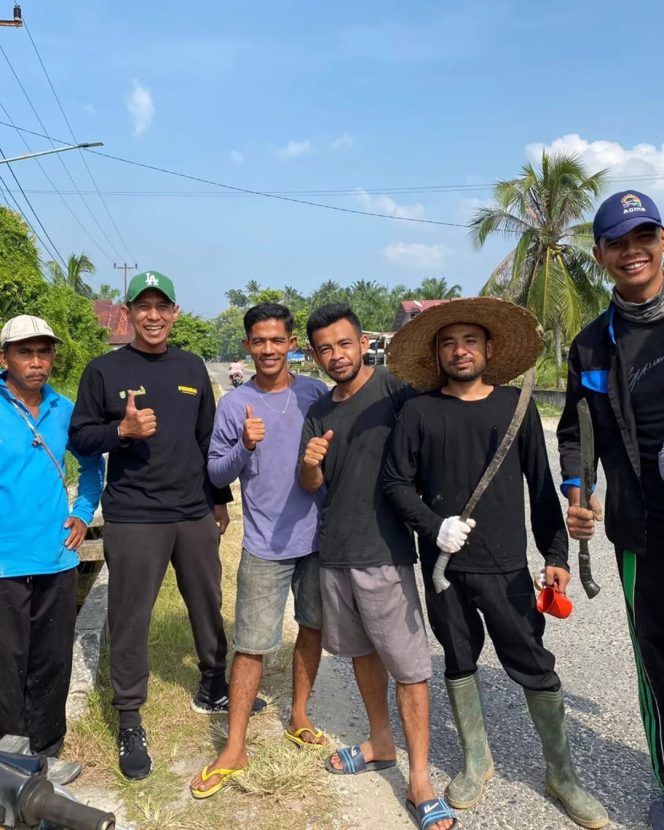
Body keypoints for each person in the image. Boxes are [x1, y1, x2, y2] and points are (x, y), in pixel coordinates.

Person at [383, 297, 608, 830]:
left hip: (506, 566)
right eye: (447, 343)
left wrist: (554, 554)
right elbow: (395, 481)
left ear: (488, 349)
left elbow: (540, 484)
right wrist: (432, 526)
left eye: (469, 341)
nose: (459, 351)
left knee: (533, 663)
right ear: (436, 355)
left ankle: (562, 775)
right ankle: (475, 760)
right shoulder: (417, 411)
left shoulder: (516, 406)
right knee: (458, 658)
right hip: (442, 566)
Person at [69, 271, 233, 781]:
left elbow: (208, 439)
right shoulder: (103, 370)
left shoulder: (192, 366)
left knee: (207, 599)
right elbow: (80, 438)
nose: (154, 315)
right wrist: (122, 429)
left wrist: (219, 500)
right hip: (134, 514)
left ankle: (213, 681)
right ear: (129, 313)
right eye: (144, 306)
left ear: (175, 313)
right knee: (130, 615)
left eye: (163, 306)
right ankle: (129, 717)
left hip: (192, 511)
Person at [298, 303, 456, 830]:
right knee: (362, 653)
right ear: (315, 355)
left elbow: (437, 431)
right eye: (325, 348)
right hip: (334, 550)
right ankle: (379, 741)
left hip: (385, 550)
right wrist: (309, 464)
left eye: (344, 343)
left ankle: (419, 780)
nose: (336, 355)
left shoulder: (395, 387)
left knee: (409, 667)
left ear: (363, 340)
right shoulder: (319, 411)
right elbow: (311, 487)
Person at [191, 302, 328, 799]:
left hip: (318, 540)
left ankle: (298, 716)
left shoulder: (316, 394)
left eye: (277, 340)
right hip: (265, 545)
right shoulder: (234, 404)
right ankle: (235, 746)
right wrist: (245, 446)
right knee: (251, 646)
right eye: (258, 341)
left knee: (312, 627)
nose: (268, 349)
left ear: (292, 343)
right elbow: (215, 474)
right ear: (248, 345)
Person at [558, 190, 664, 830]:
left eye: (644, 237)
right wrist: (578, 489)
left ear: (663, 242)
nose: (633, 252)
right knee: (656, 660)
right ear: (600, 255)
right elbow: (575, 429)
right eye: (618, 242)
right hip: (637, 530)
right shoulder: (592, 344)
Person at [0, 315, 104, 763]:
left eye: (45, 352)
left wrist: (82, 513)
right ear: (4, 358)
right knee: (6, 665)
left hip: (57, 558)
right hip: (4, 562)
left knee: (52, 660)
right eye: (26, 352)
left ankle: (45, 751)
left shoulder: (64, 409)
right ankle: (10, 759)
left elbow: (94, 465)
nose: (37, 362)